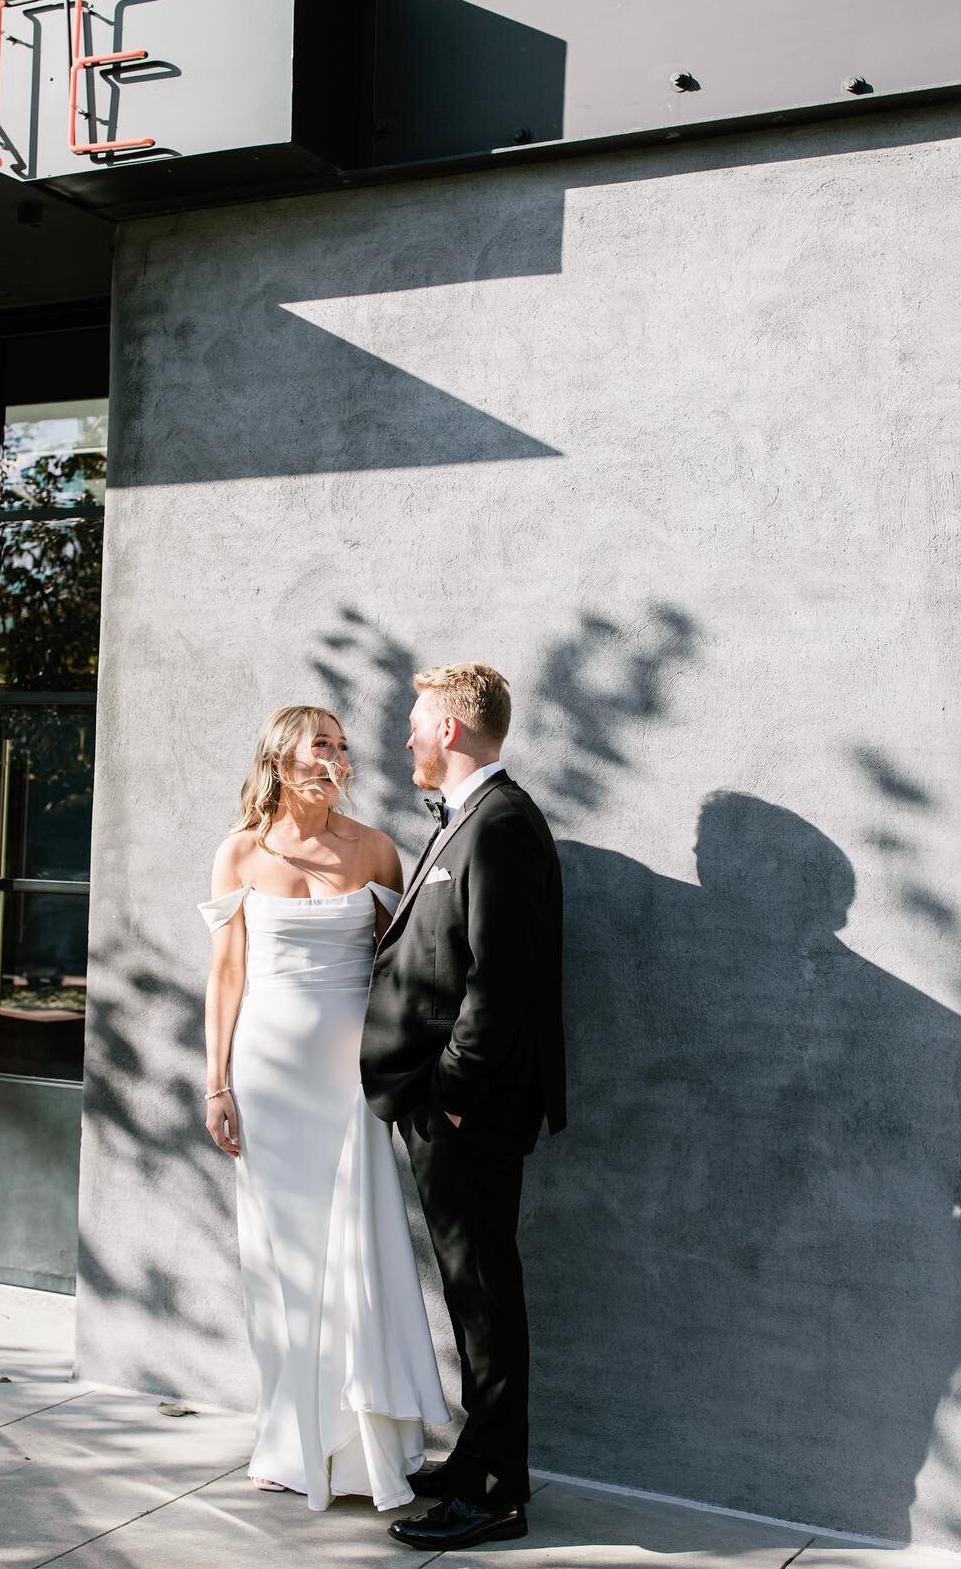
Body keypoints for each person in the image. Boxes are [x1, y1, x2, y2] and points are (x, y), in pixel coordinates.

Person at [199, 704, 450, 1512]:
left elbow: (410, 967)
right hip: (268, 1079)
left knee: (358, 1251)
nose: (337, 756)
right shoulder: (239, 852)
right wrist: (216, 1083)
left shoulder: (374, 847)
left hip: (351, 1082)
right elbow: (226, 976)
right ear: (281, 757)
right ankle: (289, 1440)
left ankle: (370, 1444)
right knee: (281, 1263)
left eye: (343, 746)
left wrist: (416, 1067)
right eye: (322, 744)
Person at [361, 662, 566, 1553]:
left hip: (469, 1112)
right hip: (448, 1107)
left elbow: (502, 983)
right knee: (471, 1289)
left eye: (414, 721)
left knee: (483, 1294)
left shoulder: (504, 825)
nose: (405, 735)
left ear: (449, 729)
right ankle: (481, 1458)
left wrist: (449, 1093)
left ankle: (494, 1492)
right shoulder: (467, 823)